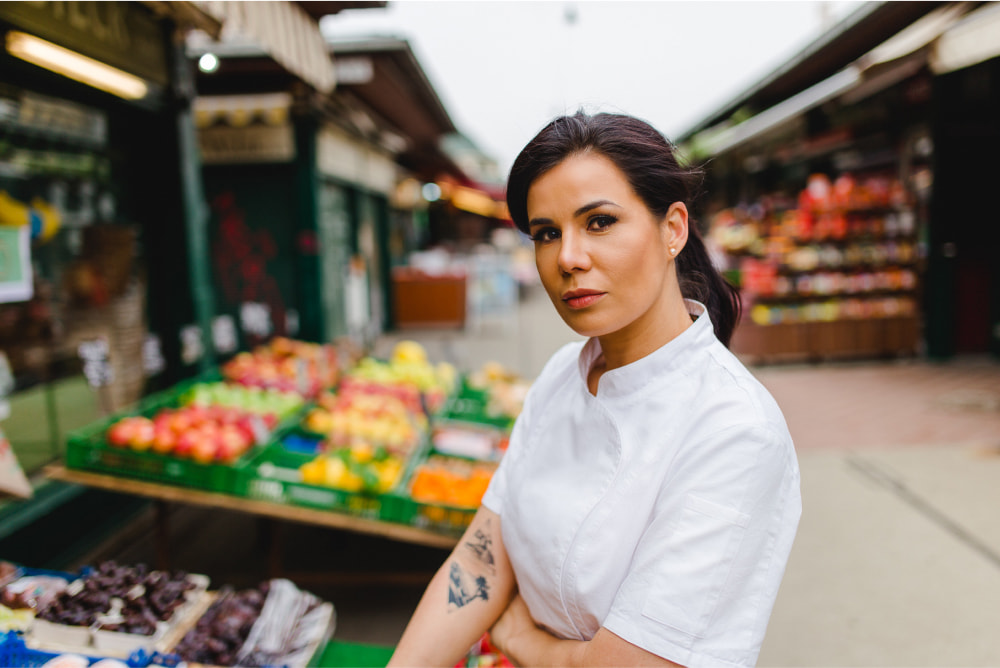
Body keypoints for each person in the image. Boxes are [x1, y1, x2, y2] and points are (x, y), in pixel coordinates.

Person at [388, 112, 801, 668]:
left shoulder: (734, 430)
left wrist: (519, 640)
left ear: (673, 228)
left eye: (600, 222)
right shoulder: (562, 373)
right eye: (546, 233)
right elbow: (483, 561)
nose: (568, 258)